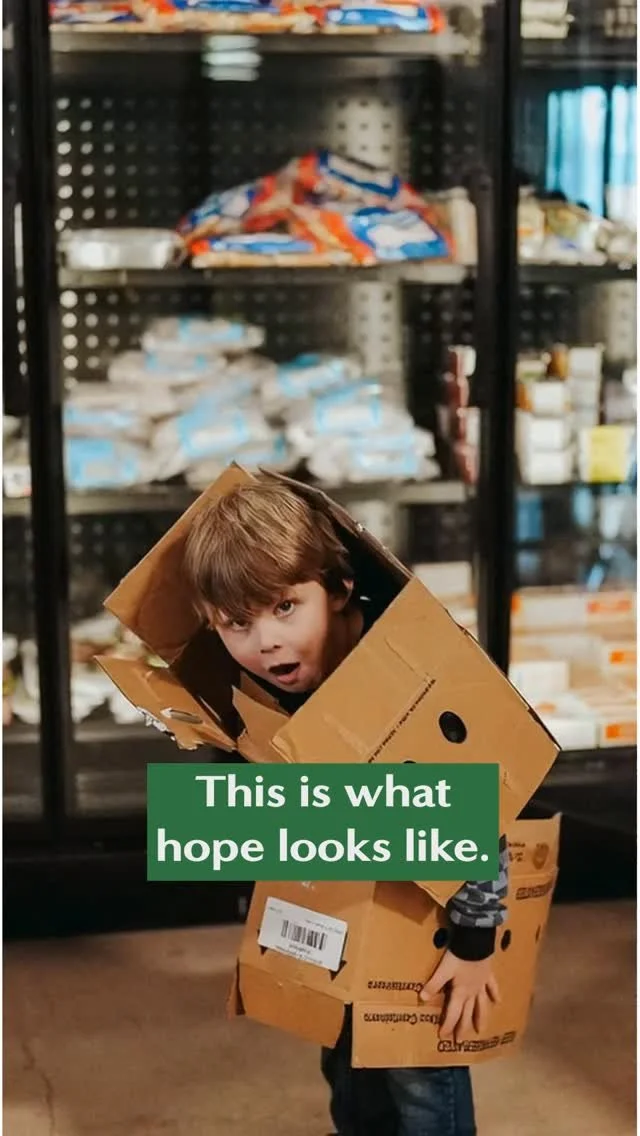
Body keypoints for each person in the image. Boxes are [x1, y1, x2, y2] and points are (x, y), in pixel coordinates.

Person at [184, 477, 509, 1136]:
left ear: (335, 590)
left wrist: (476, 944)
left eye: (283, 608)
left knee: (419, 1075)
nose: (265, 641)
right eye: (236, 623)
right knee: (348, 1069)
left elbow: (478, 803)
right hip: (338, 912)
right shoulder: (265, 688)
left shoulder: (398, 668)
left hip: (430, 917)